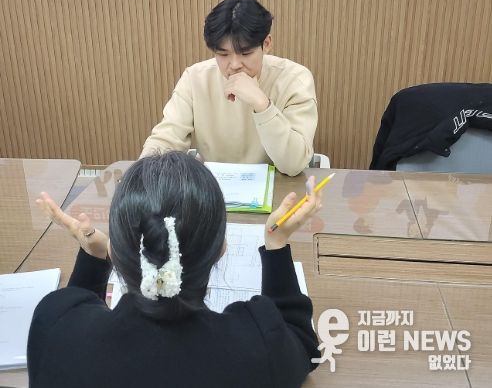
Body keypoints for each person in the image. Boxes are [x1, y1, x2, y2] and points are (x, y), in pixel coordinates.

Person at [27, 152, 321, 388]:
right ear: (220, 248)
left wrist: (93, 258)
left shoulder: (54, 330)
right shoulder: (259, 348)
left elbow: (73, 317)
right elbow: (300, 341)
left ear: (114, 251)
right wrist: (276, 246)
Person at [141, 0, 318, 176]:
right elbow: (166, 139)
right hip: (213, 187)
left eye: (245, 53)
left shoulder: (295, 79)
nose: (234, 65)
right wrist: (143, 174)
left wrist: (262, 104)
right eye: (223, 54)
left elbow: (293, 164)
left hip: (279, 186)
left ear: (266, 44)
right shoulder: (195, 78)